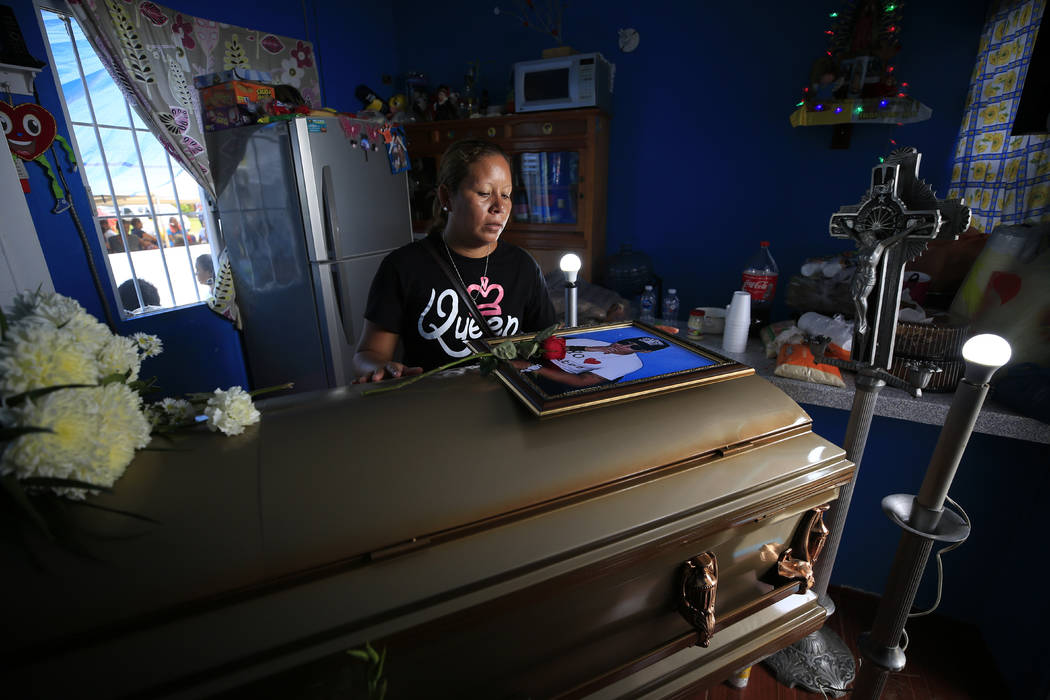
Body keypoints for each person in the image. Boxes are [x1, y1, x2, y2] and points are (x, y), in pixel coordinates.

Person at [352, 138, 556, 383]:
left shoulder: (523, 266)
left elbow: (550, 345)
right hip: (432, 408)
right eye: (484, 193)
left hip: (506, 407)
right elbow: (367, 354)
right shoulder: (403, 266)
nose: (499, 206)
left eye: (506, 194)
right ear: (446, 197)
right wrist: (383, 368)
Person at [513, 336, 670, 393]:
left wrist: (530, 367)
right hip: (539, 360)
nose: (624, 347)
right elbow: (555, 347)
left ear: (645, 352)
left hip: (550, 378)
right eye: (626, 342)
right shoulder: (598, 343)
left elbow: (580, 382)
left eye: (634, 347)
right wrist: (594, 348)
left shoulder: (632, 363)